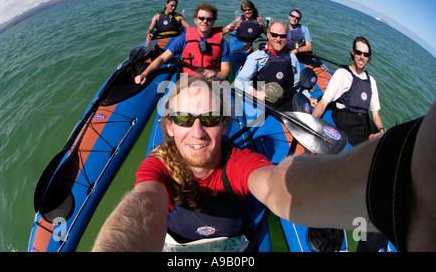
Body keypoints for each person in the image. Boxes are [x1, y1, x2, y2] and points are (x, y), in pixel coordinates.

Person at [92, 74, 436, 252]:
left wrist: (388, 177)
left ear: (225, 125)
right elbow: (144, 204)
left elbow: (276, 186)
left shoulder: (239, 163)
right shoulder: (158, 166)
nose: (197, 131)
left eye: (210, 117)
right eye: (183, 118)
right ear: (168, 126)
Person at [312, 36, 385, 146]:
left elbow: (375, 116)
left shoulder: (372, 82)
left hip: (363, 123)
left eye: (365, 54)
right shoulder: (342, 74)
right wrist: (312, 122)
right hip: (347, 121)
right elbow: (324, 102)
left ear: (369, 58)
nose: (362, 57)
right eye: (359, 52)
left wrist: (381, 130)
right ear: (353, 52)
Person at [135, 3, 231, 84]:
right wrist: (144, 73)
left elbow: (226, 70)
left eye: (209, 19)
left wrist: (216, 75)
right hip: (189, 80)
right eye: (201, 18)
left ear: (213, 22)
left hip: (212, 81)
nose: (205, 21)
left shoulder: (222, 43)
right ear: (195, 20)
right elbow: (163, 58)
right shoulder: (183, 39)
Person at [234, 20, 317, 110]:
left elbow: (296, 86)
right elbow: (239, 81)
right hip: (261, 101)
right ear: (268, 34)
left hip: (283, 101)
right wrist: (253, 92)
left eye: (282, 36)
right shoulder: (257, 57)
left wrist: (308, 97)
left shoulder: (292, 58)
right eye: (274, 35)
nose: (278, 39)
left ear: (286, 37)